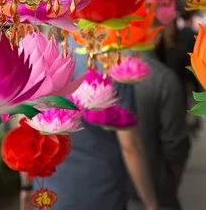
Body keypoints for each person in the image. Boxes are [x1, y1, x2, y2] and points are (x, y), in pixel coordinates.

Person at [20, 46, 159, 210]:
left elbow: (26, 133)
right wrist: (151, 203)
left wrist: (26, 187)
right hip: (102, 192)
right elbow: (131, 147)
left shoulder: (38, 56)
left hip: (50, 190)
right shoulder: (114, 64)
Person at [129, 25, 191, 210]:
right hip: (156, 186)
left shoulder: (96, 72)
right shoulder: (162, 79)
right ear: (156, 37)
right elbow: (176, 144)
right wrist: (172, 182)